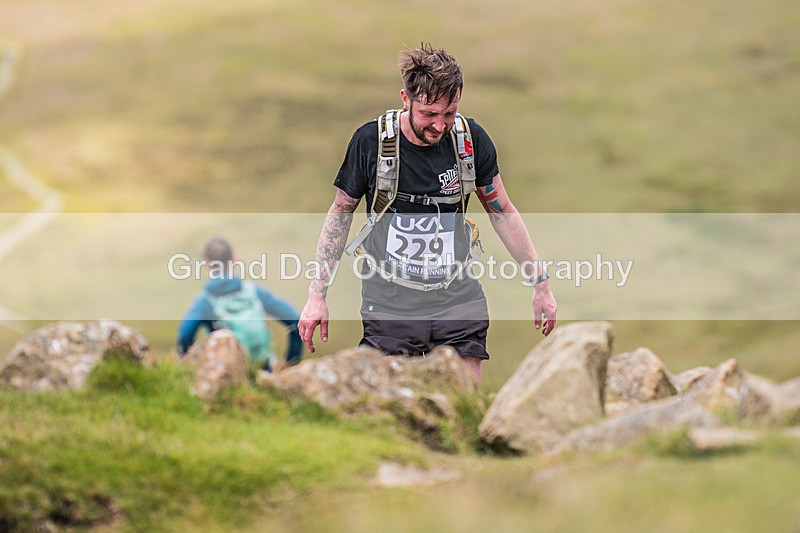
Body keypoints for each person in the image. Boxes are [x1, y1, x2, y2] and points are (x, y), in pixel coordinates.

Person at [299, 44, 556, 385]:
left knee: (464, 410)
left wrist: (540, 283)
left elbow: (503, 212)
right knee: (390, 415)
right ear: (406, 99)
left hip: (458, 299)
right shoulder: (370, 143)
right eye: (429, 114)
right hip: (390, 303)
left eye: (449, 113)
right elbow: (341, 212)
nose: (439, 125)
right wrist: (317, 295)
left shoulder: (469, 141)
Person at [177, 237, 303, 371]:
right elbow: (296, 321)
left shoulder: (204, 302)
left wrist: (187, 362)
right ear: (234, 259)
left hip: (226, 372)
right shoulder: (255, 292)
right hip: (263, 368)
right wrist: (291, 360)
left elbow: (185, 334)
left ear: (206, 264)